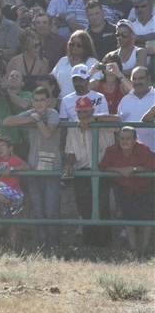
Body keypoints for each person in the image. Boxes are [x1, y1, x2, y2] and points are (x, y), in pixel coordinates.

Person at [2, 87, 61, 252]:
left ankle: (54, 246)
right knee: (38, 211)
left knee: (51, 211)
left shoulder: (53, 113)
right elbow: (6, 121)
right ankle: (43, 246)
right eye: (37, 100)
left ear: (48, 101)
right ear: (33, 101)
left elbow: (48, 133)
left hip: (51, 169)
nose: (40, 103)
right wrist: (31, 119)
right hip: (33, 167)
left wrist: (37, 120)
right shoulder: (32, 114)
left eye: (43, 100)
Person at [63, 95, 119, 248]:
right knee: (85, 209)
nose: (83, 116)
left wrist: (95, 119)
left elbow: (118, 120)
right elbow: (71, 152)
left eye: (86, 112)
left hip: (102, 171)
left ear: (92, 111)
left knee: (102, 208)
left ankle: (105, 244)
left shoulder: (103, 122)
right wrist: (68, 164)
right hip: (82, 172)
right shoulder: (73, 128)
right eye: (80, 113)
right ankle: (90, 245)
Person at [100, 126, 155, 251]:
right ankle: (133, 248)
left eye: (129, 138)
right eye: (122, 138)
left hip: (146, 187)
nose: (125, 141)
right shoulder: (112, 150)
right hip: (125, 187)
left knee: (148, 217)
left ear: (135, 139)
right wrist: (119, 170)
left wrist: (134, 169)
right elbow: (103, 167)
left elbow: (152, 166)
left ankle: (145, 248)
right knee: (128, 217)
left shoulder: (143, 149)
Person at [0, 135, 30, 250]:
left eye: (3, 146)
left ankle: (11, 202)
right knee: (11, 222)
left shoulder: (13, 158)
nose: (0, 149)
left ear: (10, 148)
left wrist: (11, 169)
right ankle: (12, 246)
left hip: (13, 191)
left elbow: (26, 166)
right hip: (4, 192)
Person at [51, 30, 99, 97]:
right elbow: (51, 80)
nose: (75, 47)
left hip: (83, 102)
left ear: (86, 46)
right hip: (60, 102)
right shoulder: (63, 60)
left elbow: (96, 82)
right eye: (72, 44)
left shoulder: (92, 62)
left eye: (79, 45)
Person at [117, 67, 155, 151]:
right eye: (134, 79)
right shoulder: (125, 100)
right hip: (129, 155)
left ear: (148, 79)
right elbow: (118, 128)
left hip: (152, 152)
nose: (137, 82)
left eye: (141, 78)